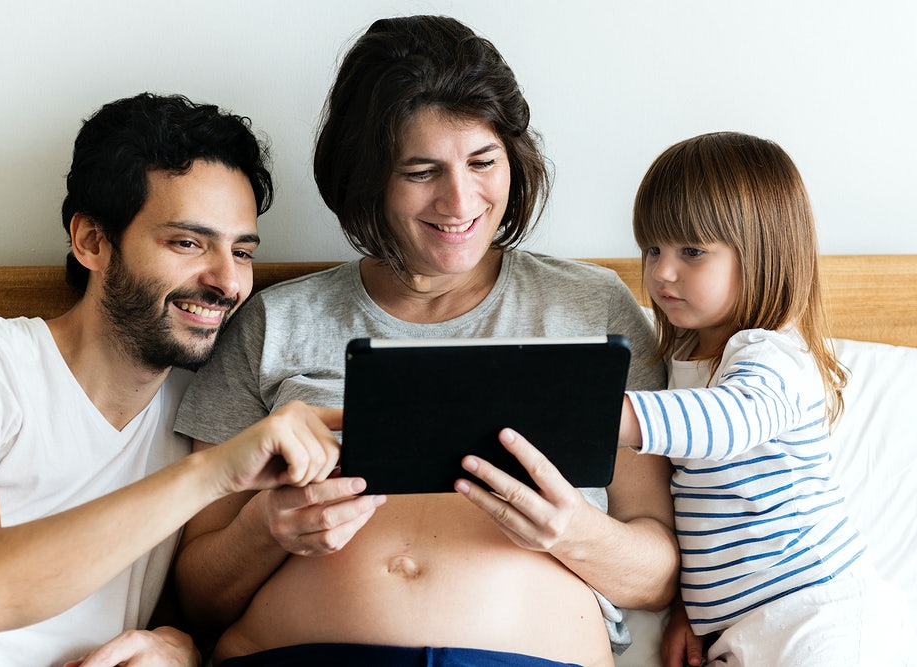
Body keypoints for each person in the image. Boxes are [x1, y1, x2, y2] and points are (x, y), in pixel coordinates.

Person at [173, 15, 678, 667]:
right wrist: (268, 526)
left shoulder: (590, 306)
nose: (460, 199)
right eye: (421, 171)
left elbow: (661, 572)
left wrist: (572, 532)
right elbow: (196, 597)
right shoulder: (272, 322)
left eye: (482, 162)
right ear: (369, 178)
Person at [0, 92, 341, 667]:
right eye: (188, 243)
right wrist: (214, 472)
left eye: (241, 251)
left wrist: (179, 649)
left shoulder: (202, 408)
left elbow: (185, 608)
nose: (226, 282)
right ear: (92, 241)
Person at [617, 131, 914, 666]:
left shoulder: (773, 355)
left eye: (691, 251)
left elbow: (733, 420)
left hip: (820, 609)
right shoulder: (681, 363)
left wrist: (612, 413)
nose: (661, 271)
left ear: (761, 255)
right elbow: (703, 509)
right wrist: (693, 609)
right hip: (742, 628)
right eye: (652, 248)